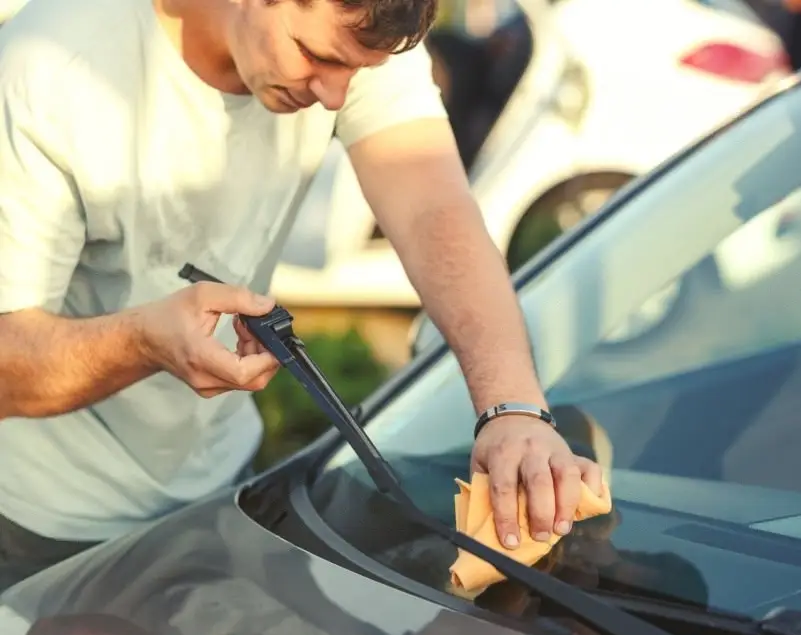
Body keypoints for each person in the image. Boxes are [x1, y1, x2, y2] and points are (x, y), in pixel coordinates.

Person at [0, 0, 604, 591]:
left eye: (358, 72)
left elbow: (434, 210)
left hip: (223, 490)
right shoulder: (47, 68)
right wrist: (140, 344)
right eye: (314, 56)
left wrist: (513, 410)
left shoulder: (354, 32)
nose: (336, 96)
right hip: (40, 526)